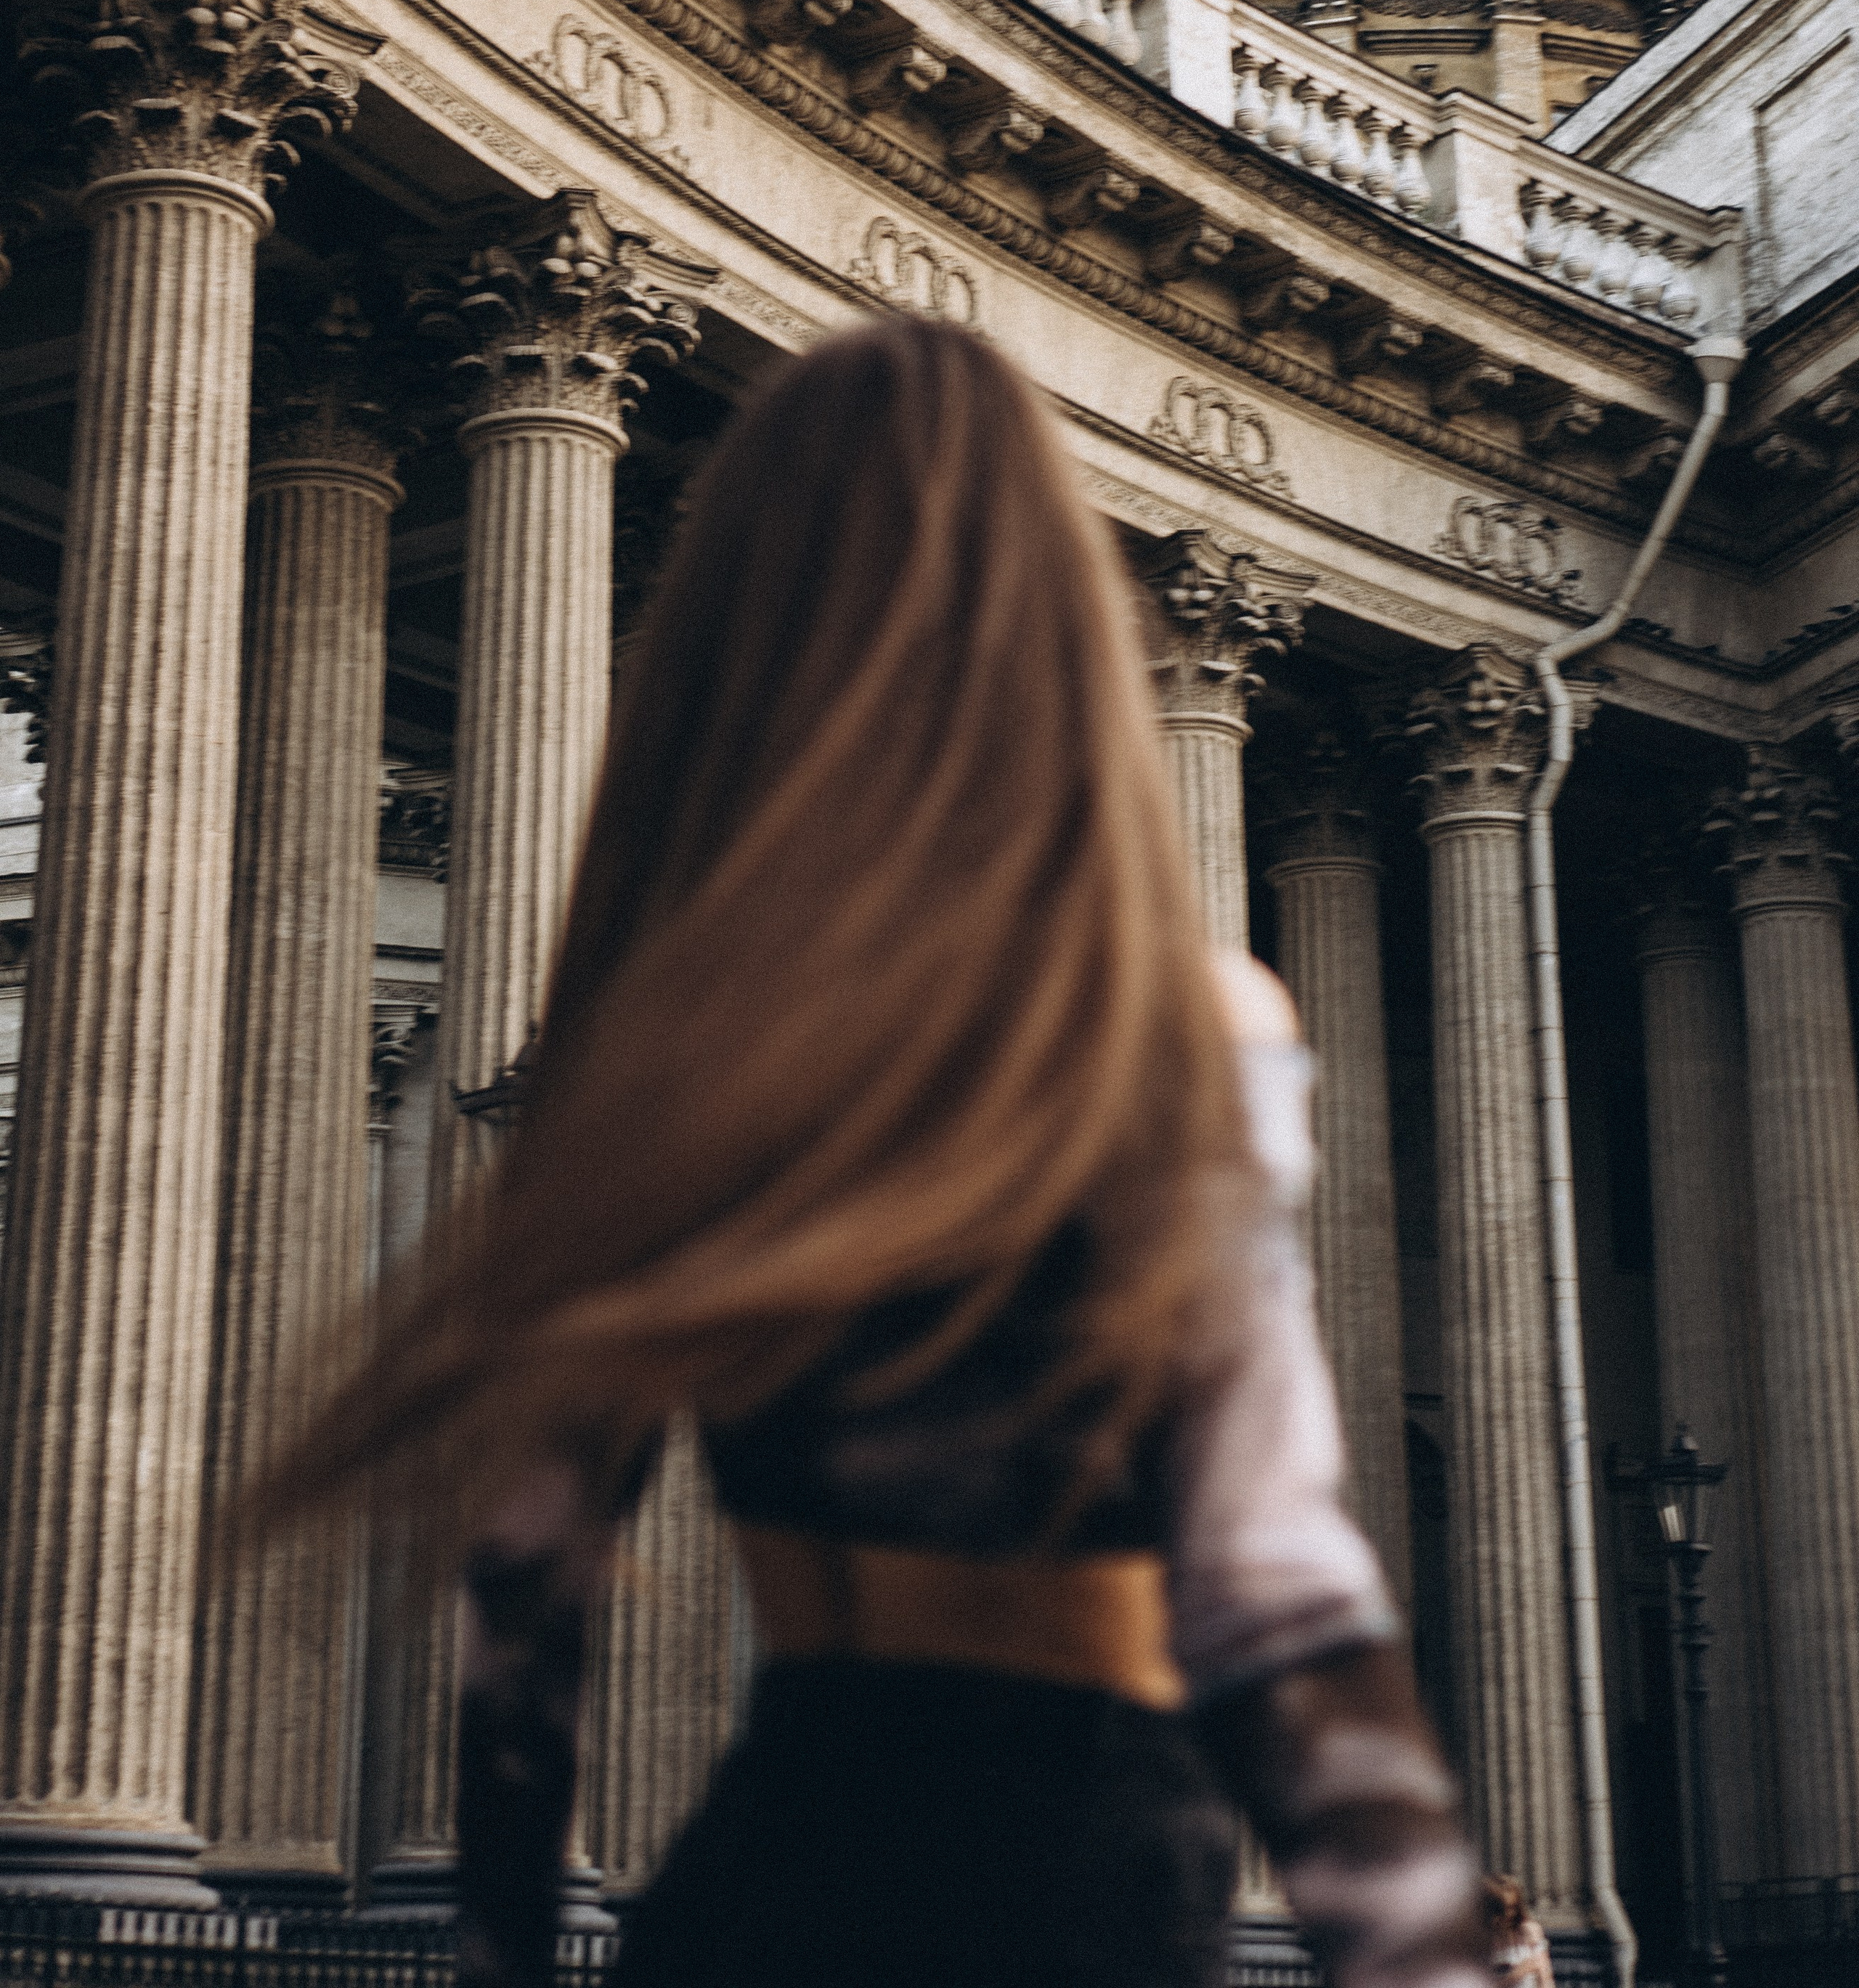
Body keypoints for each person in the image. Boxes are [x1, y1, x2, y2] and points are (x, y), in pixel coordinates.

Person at [261, 315, 1484, 1988]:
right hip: (1076, 1881)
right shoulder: (1169, 1023)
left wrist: (500, 1954)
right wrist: (1417, 1961)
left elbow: (527, 1573)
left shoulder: (688, 1030)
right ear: (1045, 625)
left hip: (764, 1866)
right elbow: (1272, 1580)